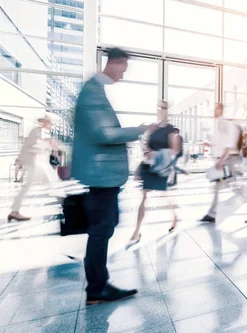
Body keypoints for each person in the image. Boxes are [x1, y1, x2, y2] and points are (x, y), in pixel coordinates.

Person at [72, 48, 147, 304]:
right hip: (100, 175)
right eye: (123, 69)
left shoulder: (95, 90)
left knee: (105, 227)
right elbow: (103, 134)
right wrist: (137, 130)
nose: (123, 76)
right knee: (101, 230)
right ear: (114, 63)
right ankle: (96, 288)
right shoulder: (93, 90)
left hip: (104, 176)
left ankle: (98, 285)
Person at [128, 100, 180, 246]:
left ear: (167, 110)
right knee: (144, 196)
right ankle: (137, 231)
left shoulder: (170, 129)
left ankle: (174, 217)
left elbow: (174, 150)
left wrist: (157, 154)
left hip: (161, 167)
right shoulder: (153, 128)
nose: (161, 110)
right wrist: (147, 152)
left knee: (163, 196)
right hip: (150, 167)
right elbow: (145, 144)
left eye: (163, 108)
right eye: (159, 108)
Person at [200, 103, 247, 223]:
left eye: (215, 109)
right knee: (230, 186)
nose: (213, 111)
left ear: (220, 110)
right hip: (227, 159)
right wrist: (210, 145)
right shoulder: (220, 124)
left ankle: (212, 214)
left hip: (228, 160)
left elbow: (229, 146)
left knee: (224, 186)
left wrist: (221, 161)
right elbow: (222, 143)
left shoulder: (225, 124)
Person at [8, 113, 63, 222]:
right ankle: (14, 211)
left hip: (32, 161)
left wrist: (48, 146)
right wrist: (45, 147)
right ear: (44, 122)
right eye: (48, 123)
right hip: (29, 161)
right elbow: (29, 147)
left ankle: (14, 211)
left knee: (36, 185)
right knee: (48, 183)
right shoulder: (36, 131)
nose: (49, 125)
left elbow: (39, 145)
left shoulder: (40, 132)